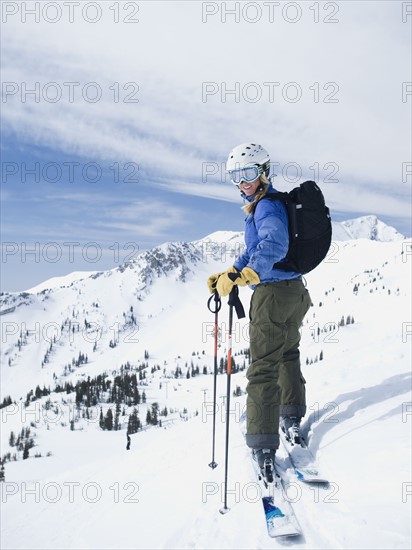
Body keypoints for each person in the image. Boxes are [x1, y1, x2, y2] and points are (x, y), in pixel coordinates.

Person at [207, 142, 312, 476]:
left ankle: (264, 445)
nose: (242, 182)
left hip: (271, 295)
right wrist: (231, 272)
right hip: (294, 291)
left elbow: (273, 244)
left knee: (263, 367)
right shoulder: (271, 203)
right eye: (235, 176)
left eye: (249, 173)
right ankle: (291, 415)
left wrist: (250, 273)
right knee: (288, 354)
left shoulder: (265, 207)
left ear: (264, 171)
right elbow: (255, 249)